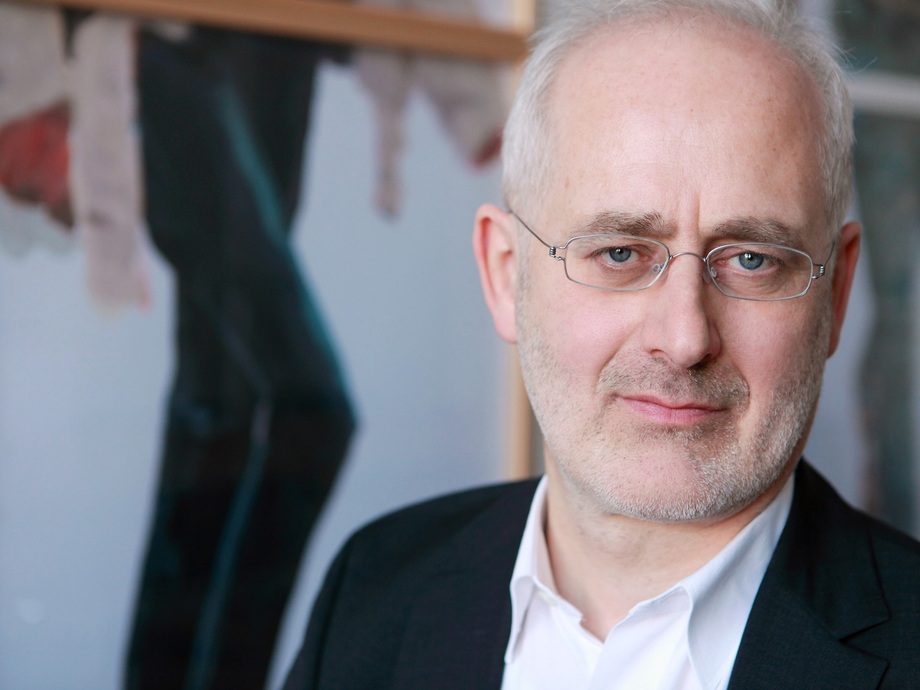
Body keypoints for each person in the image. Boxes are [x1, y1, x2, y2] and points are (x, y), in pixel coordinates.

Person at [282, 0, 920, 688]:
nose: (684, 339)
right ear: (505, 275)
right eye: (620, 253)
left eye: (752, 260)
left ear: (836, 293)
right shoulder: (376, 590)